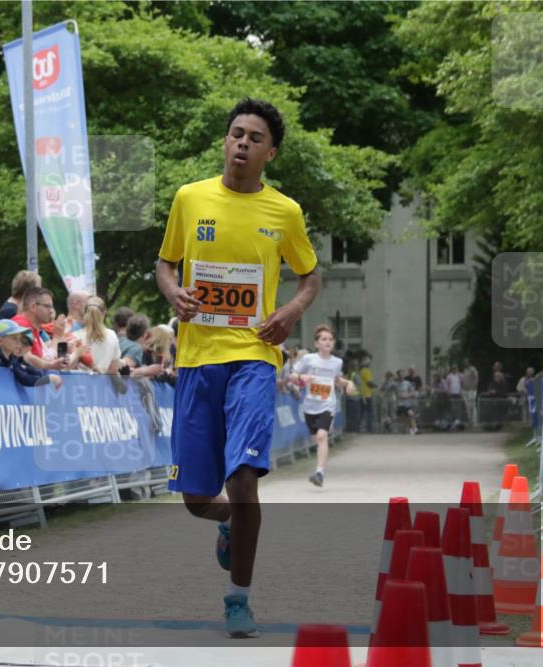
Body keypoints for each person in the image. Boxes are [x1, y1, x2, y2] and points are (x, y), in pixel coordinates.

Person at [155, 98, 320, 638]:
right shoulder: (190, 197)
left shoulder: (285, 212)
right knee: (196, 500)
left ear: (270, 153)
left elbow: (310, 276)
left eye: (255, 137)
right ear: (225, 142)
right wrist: (173, 292)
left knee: (244, 479)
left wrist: (290, 312)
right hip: (197, 360)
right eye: (236, 133)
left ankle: (238, 599)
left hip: (253, 356)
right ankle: (229, 523)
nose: (243, 143)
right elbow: (165, 263)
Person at [289, 325, 354, 487]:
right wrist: (302, 377)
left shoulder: (337, 362)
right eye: (324, 339)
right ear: (316, 343)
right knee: (315, 438)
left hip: (328, 404)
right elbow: (292, 375)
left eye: (331, 339)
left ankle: (319, 473)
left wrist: (348, 383)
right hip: (310, 406)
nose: (328, 342)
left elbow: (336, 380)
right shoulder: (308, 359)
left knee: (321, 436)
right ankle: (319, 462)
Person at [0, 319, 62, 388]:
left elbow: (26, 376)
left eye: (18, 339)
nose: (19, 343)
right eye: (14, 338)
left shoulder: (13, 359)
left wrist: (49, 376)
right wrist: (49, 378)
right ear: (0, 341)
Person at [73, 296, 123, 374]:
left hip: (80, 381)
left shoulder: (75, 337)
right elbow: (114, 369)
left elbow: (70, 366)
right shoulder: (112, 335)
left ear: (85, 312)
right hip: (103, 381)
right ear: (104, 312)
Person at [359, 354, 376, 433]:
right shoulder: (367, 371)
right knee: (369, 412)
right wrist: (375, 385)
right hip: (367, 395)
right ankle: (369, 428)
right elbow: (369, 383)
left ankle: (360, 427)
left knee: (362, 412)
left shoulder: (360, 371)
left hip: (361, 394)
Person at [462, 358, 479, 429]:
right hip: (465, 390)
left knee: (472, 406)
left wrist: (474, 387)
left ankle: (475, 423)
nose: (465, 363)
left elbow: (476, 378)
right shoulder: (465, 370)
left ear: (469, 362)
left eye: (466, 362)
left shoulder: (473, 369)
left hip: (471, 390)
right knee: (467, 407)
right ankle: (470, 422)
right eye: (464, 362)